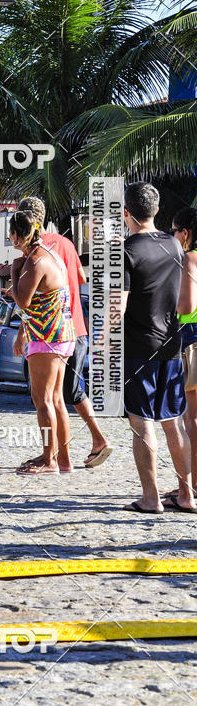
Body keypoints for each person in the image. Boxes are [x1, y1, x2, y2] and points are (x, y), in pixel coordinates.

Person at [17, 197, 112, 468]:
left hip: (50, 329)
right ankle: (66, 457)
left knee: (51, 397)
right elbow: (80, 278)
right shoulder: (66, 244)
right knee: (65, 393)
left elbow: (29, 298)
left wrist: (23, 330)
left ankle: (80, 447)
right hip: (75, 326)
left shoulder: (35, 250)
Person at [122, 183, 194, 512]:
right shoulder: (174, 245)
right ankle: (186, 493)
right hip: (172, 343)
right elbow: (182, 304)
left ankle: (151, 498)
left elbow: (116, 308)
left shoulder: (126, 250)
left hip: (139, 347)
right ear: (157, 209)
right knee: (175, 421)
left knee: (141, 422)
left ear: (127, 213)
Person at [9, 211, 76, 475]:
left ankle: (50, 460)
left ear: (16, 235)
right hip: (62, 333)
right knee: (56, 399)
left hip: (46, 336)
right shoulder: (51, 255)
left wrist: (14, 273)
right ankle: (62, 459)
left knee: (43, 399)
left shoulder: (34, 261)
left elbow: (22, 301)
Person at [170, 206, 197, 500]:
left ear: (186, 234)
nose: (173, 237)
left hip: (192, 335)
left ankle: (191, 484)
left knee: (192, 418)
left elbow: (186, 307)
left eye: (175, 232)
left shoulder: (189, 258)